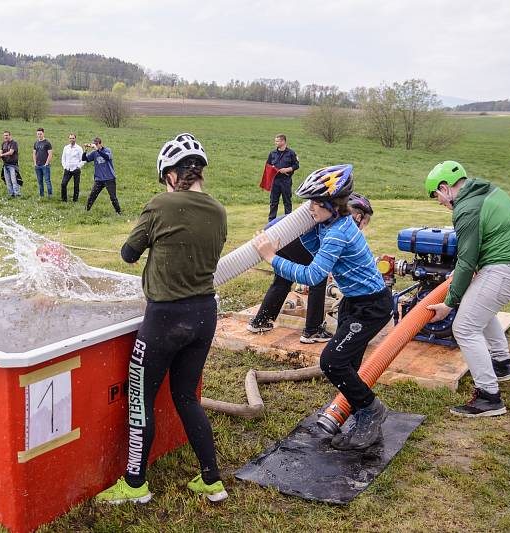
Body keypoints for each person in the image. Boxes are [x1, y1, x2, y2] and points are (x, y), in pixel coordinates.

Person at [96, 133, 228, 504]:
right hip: (204, 315)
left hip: (165, 318)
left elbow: (127, 254)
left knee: (141, 399)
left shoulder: (160, 205)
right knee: (187, 397)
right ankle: (212, 481)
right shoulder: (219, 211)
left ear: (171, 175)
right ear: (199, 171)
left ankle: (135, 485)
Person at [252, 164, 391, 451]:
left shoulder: (340, 231)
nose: (311, 208)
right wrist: (299, 229)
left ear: (331, 204)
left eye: (316, 203)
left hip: (372, 307)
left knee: (331, 362)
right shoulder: (331, 225)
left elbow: (312, 275)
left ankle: (372, 410)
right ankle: (364, 419)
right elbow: (316, 249)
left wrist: (272, 257)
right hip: (353, 302)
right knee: (349, 366)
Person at [424, 161, 510, 417]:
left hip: (509, 268)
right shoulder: (487, 192)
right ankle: (502, 364)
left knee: (464, 327)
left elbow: (467, 260)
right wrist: (467, 272)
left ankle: (489, 397)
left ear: (445, 188)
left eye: (438, 197)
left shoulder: (466, 208)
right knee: (478, 306)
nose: (440, 203)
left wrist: (449, 303)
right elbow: (483, 245)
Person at [247, 193, 375, 344]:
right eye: (364, 224)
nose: (360, 229)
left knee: (283, 279)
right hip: (292, 235)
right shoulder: (336, 218)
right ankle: (312, 331)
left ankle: (261, 321)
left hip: (276, 233)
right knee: (317, 279)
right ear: (359, 216)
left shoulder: (330, 210)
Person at [82, 137, 121, 214]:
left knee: (113, 197)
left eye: (97, 144)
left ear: (100, 144)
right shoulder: (94, 153)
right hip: (99, 179)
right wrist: (85, 150)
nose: (95, 145)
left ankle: (118, 212)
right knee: (92, 196)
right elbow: (84, 159)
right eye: (94, 144)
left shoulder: (107, 150)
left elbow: (106, 157)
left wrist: (97, 150)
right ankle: (86, 211)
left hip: (109, 178)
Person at [266, 133, 299, 222]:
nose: (275, 143)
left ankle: (288, 220)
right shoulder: (272, 153)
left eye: (277, 141)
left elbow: (296, 165)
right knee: (273, 202)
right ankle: (271, 221)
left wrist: (287, 169)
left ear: (283, 141)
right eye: (275, 141)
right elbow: (268, 166)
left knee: (287, 201)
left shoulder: (291, 153)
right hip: (275, 181)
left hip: (286, 181)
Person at [0, 130, 20, 198]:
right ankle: (11, 194)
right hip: (5, 164)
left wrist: (1, 155)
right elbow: (1, 152)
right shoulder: (3, 143)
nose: (5, 137)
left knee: (14, 180)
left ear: (10, 135)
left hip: (13, 165)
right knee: (8, 181)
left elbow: (11, 152)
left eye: (7, 135)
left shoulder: (14, 143)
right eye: (4, 135)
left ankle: (17, 194)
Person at [60, 133, 84, 202]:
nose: (71, 140)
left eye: (73, 138)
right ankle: (64, 199)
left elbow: (83, 159)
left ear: (75, 139)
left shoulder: (79, 148)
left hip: (76, 169)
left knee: (76, 185)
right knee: (63, 184)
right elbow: (63, 158)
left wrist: (78, 166)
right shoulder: (66, 148)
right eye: (70, 138)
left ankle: (75, 200)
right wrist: (64, 166)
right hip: (67, 169)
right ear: (68, 139)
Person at [32, 128, 53, 199]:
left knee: (47, 180)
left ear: (43, 133)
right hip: (37, 165)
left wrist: (46, 163)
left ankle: (50, 195)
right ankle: (42, 195)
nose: (39, 135)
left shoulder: (47, 143)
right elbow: (34, 153)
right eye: (38, 134)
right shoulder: (36, 143)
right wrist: (35, 163)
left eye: (40, 134)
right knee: (40, 181)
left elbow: (50, 154)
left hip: (45, 165)